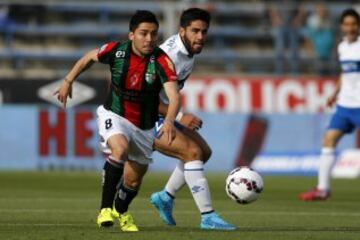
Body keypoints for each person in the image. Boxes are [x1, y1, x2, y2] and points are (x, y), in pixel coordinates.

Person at [54, 10, 181, 231]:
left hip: (145, 126)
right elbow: (88, 58)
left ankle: (121, 210)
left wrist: (169, 121)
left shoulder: (161, 60)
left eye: (153, 34)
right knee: (119, 150)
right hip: (115, 113)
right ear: (131, 35)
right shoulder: (116, 51)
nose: (149, 39)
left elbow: (174, 96)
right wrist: (68, 80)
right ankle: (104, 209)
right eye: (143, 33)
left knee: (132, 182)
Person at [150, 8, 235, 230]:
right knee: (193, 153)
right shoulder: (169, 56)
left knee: (204, 152)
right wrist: (178, 116)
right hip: (142, 117)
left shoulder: (187, 51)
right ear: (182, 31)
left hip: (161, 112)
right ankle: (208, 216)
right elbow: (144, 98)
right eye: (195, 31)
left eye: (204, 32)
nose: (200, 36)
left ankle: (165, 196)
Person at [299, 9, 360, 201]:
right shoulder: (343, 46)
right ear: (342, 26)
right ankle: (323, 189)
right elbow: (345, 73)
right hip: (344, 105)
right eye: (347, 24)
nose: (350, 28)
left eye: (354, 24)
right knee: (329, 140)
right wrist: (335, 92)